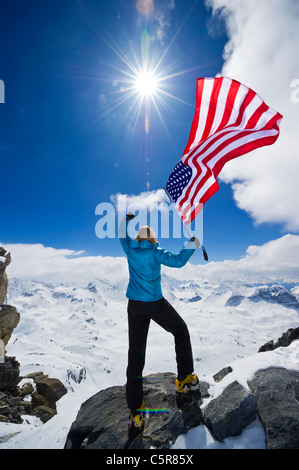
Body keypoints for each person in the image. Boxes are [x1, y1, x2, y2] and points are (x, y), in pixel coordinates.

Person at [119, 212, 201, 429]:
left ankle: (136, 410)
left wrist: (127, 220)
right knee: (180, 331)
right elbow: (178, 261)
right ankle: (184, 379)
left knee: (135, 355)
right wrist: (192, 245)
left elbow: (120, 235)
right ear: (153, 239)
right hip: (154, 303)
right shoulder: (155, 252)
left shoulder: (130, 249)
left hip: (134, 305)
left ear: (138, 239)